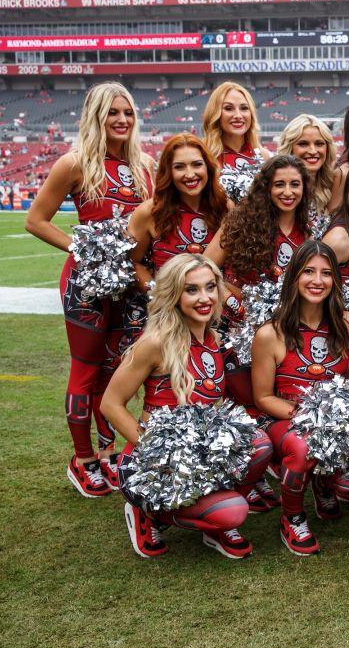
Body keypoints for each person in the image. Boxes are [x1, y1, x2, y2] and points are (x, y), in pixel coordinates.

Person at [25, 82, 155, 497]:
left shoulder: (146, 165)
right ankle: (82, 459)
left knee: (114, 371)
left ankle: (109, 451)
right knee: (84, 371)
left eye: (127, 113)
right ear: (97, 116)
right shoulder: (75, 163)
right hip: (86, 283)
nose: (121, 120)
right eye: (112, 112)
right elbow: (36, 220)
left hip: (130, 285)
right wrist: (84, 247)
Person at [101, 254, 274, 559]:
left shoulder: (215, 339)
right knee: (234, 512)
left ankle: (207, 517)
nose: (205, 298)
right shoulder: (155, 343)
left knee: (260, 444)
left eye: (210, 287)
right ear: (173, 293)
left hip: (199, 456)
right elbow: (110, 404)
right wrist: (155, 452)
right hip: (152, 463)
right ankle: (148, 514)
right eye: (191, 290)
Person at [251, 241, 349, 555]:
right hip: (285, 417)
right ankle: (292, 516)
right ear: (293, 278)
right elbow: (262, 397)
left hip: (334, 421)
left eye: (326, 273)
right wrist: (309, 418)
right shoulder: (269, 334)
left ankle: (325, 482)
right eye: (308, 272)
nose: (318, 280)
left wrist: (341, 422)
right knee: (304, 447)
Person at [204, 154, 313, 422]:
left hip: (283, 335)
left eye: (295, 185)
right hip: (236, 332)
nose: (288, 192)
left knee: (276, 405)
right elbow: (204, 269)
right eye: (279, 184)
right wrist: (234, 303)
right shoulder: (240, 221)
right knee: (246, 405)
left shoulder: (309, 230)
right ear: (266, 187)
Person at [127, 133, 230, 285]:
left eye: (197, 164)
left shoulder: (225, 208)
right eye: (179, 167)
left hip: (214, 306)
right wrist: (158, 296)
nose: (190, 174)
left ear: (208, 167)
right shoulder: (149, 212)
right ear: (168, 171)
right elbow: (133, 263)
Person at [202, 82, 268, 201]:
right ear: (215, 113)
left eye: (244, 108)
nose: (238, 115)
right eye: (228, 108)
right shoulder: (204, 157)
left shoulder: (264, 157)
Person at [278, 114, 342, 236]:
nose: (313, 151)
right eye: (303, 144)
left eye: (319, 144)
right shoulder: (274, 188)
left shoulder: (335, 185)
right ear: (290, 148)